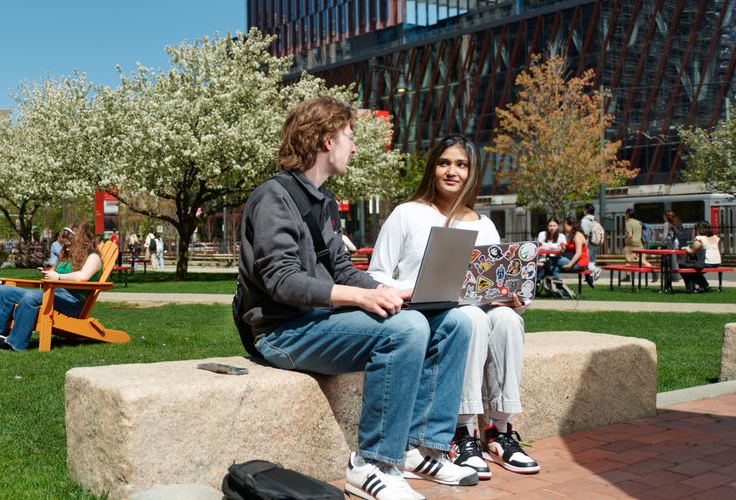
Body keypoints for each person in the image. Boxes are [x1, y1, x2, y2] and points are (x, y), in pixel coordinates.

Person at [241, 98, 476, 499]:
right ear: (327, 139)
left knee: (455, 321)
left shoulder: (325, 202)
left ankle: (420, 448)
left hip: (318, 323)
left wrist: (395, 292)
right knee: (406, 328)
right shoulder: (272, 199)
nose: (354, 147)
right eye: (350, 137)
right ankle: (371, 464)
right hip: (282, 331)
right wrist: (360, 299)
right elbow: (282, 282)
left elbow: (344, 270)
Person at [369, 134, 540, 482]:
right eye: (445, 162)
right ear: (433, 167)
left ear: (472, 172)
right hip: (426, 313)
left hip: (475, 308)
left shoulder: (483, 224)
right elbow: (376, 274)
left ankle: (500, 430)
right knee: (472, 317)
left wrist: (511, 296)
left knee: (506, 319)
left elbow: (492, 279)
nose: (452, 171)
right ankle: (462, 433)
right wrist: (412, 289)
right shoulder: (407, 214)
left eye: (461, 165)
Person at [0, 223, 101, 352]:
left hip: (72, 302)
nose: (67, 249)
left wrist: (58, 277)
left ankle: (15, 343)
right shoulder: (67, 258)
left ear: (82, 243)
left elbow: (82, 276)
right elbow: (54, 273)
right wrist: (48, 274)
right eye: (65, 245)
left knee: (31, 296)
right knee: (3, 291)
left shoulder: (93, 257)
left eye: (70, 245)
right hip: (54, 294)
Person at [544, 218, 594, 288]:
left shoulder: (578, 236)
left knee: (550, 260)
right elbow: (570, 248)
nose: (564, 227)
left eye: (565, 225)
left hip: (580, 263)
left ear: (571, 225)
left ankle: (539, 279)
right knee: (554, 268)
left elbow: (578, 253)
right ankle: (560, 289)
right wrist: (563, 247)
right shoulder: (572, 235)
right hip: (574, 261)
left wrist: (569, 265)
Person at [681, 221, 719, 293]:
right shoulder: (715, 237)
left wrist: (686, 248)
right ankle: (704, 286)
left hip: (707, 262)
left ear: (699, 229)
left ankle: (692, 287)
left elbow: (692, 252)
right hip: (716, 262)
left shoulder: (699, 238)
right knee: (693, 270)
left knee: (682, 266)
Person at [579, 204, 602, 276]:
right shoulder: (595, 220)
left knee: (585, 261)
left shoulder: (584, 221)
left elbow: (585, 233)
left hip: (589, 244)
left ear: (586, 210)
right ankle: (591, 277)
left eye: (584, 209)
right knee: (591, 261)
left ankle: (596, 270)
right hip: (596, 243)